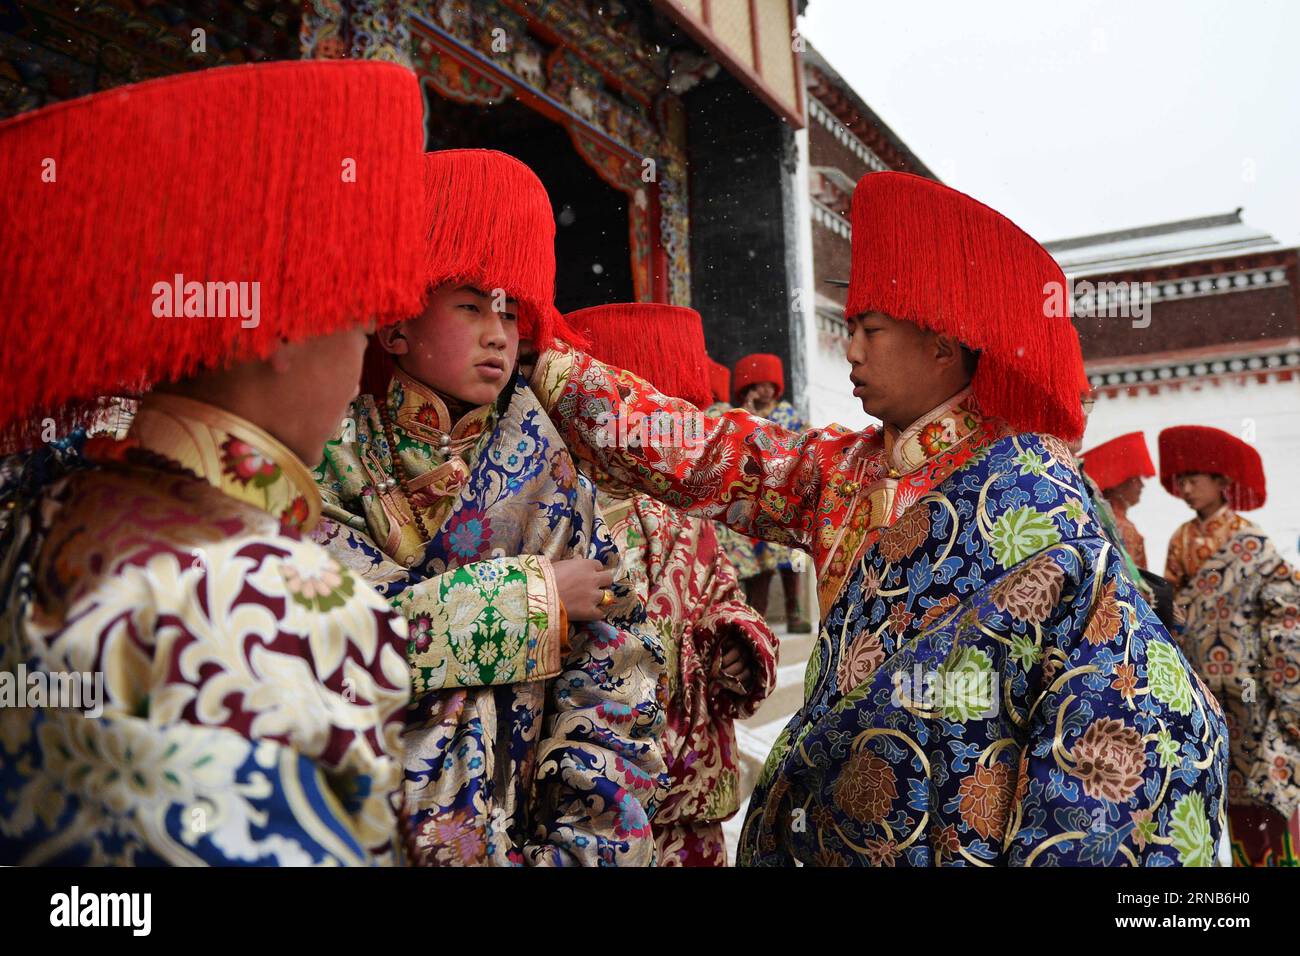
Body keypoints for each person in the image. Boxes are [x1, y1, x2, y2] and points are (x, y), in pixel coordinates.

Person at [528, 170, 1229, 866]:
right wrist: (552, 366)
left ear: (941, 344)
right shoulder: (839, 473)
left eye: (869, 329)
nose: (853, 350)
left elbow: (1111, 714)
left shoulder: (1037, 490)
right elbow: (698, 449)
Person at [0, 60, 429, 865]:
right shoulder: (280, 594)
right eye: (362, 334)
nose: (358, 370)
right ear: (275, 333)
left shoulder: (54, 506)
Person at [311, 149, 665, 866]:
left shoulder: (552, 473)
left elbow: (614, 673)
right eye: (470, 306)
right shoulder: (332, 455)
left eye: (511, 310)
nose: (499, 333)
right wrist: (531, 599)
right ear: (396, 326)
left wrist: (586, 845)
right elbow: (325, 644)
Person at [564, 302, 781, 866]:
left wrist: (732, 637)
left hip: (689, 797)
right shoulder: (560, 505)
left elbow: (721, 597)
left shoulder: (688, 513)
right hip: (597, 790)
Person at [1159, 425, 1300, 866]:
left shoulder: (1252, 539)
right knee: (1220, 789)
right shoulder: (1180, 540)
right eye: (1180, 480)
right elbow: (1172, 609)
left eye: (1194, 479)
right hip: (1202, 686)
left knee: (1262, 785)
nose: (1185, 489)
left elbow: (1285, 610)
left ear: (1222, 482)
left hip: (1251, 686)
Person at [723, 353, 812, 633]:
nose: (766, 390)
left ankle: (794, 612)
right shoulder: (743, 414)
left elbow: (801, 443)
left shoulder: (787, 413)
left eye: (769, 384)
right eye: (759, 384)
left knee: (791, 559)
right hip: (754, 495)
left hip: (785, 492)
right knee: (760, 562)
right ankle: (756, 615)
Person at [1081, 431, 1155, 568]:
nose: (1142, 485)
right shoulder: (1123, 528)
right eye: (1136, 479)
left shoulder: (1095, 521)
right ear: (1117, 484)